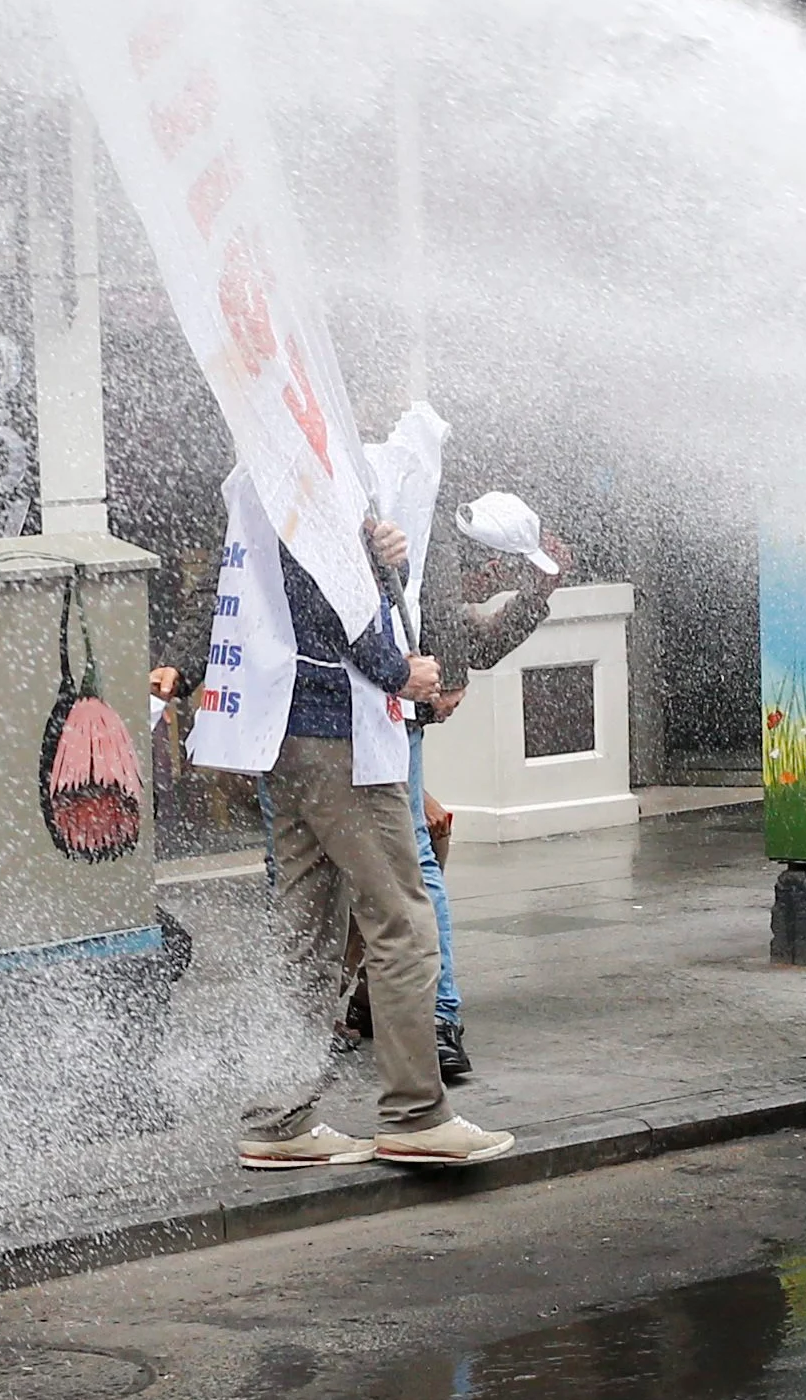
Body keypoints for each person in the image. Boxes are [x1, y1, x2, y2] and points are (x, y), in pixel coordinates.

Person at [154, 481, 513, 1171]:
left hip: (284, 732)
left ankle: (279, 1120)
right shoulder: (305, 466)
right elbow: (328, 595)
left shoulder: (260, 473)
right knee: (401, 921)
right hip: (340, 736)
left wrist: (386, 563)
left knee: (306, 930)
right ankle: (416, 1114)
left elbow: (268, 588)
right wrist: (398, 671)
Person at [396, 501, 570, 1084]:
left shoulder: (436, 552)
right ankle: (436, 1022)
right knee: (411, 862)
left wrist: (536, 601)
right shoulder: (437, 555)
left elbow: (476, 642)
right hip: (361, 723)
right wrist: (443, 685)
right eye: (516, 573)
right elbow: (454, 630)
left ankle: (370, 1007)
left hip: (385, 725)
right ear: (492, 566)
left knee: (389, 862)